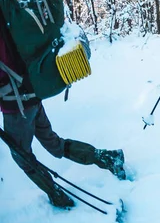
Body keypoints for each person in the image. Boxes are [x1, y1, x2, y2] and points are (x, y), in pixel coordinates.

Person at [0, 11, 126, 209]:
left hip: (17, 105)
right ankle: (107, 157)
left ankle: (56, 195)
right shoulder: (11, 15)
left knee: (22, 156)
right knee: (52, 142)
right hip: (31, 93)